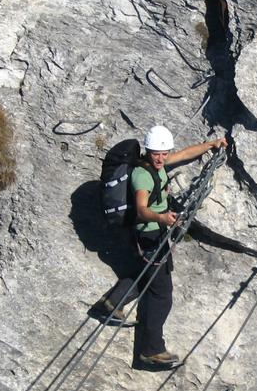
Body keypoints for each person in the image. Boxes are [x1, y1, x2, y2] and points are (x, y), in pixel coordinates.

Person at [92, 125, 227, 368]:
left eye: (164, 154)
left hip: (153, 235)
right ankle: (151, 350)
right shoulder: (142, 175)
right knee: (162, 295)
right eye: (157, 153)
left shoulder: (158, 165)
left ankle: (112, 303)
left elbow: (184, 154)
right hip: (150, 236)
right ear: (148, 150)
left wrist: (210, 145)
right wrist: (162, 218)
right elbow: (143, 209)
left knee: (147, 277)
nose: (161, 158)